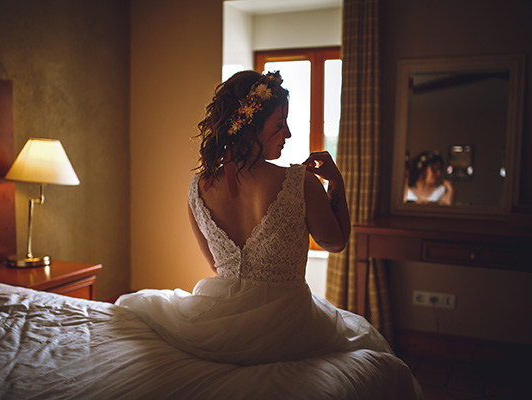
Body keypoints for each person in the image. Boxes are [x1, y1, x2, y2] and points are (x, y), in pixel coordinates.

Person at [116, 70, 392, 365]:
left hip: (218, 324)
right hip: (289, 324)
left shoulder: (198, 187)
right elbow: (336, 243)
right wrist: (335, 181)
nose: (287, 134)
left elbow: (215, 265)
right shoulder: (301, 183)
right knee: (368, 343)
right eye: (280, 124)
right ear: (250, 127)